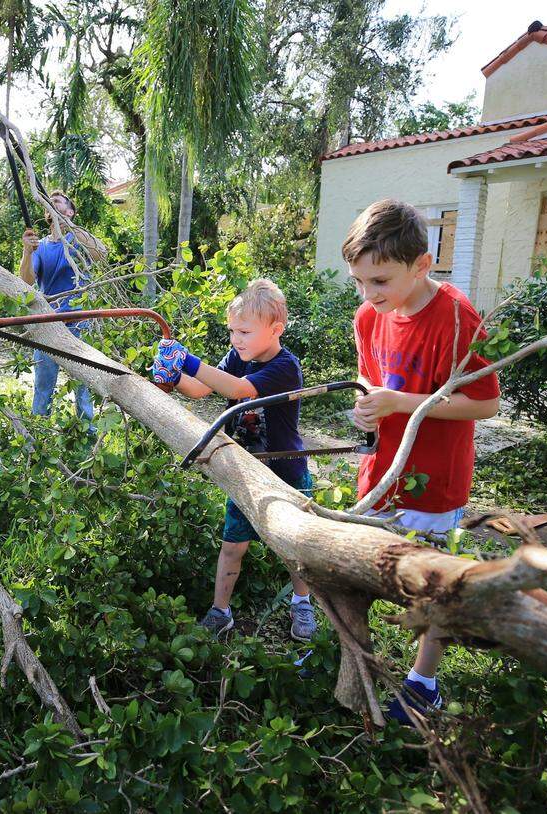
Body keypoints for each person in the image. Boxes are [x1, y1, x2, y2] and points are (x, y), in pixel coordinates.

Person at [344, 199, 500, 723]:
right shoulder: (370, 316)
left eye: (380, 281)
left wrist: (401, 402)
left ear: (422, 265)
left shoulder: (455, 317)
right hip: (381, 470)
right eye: (360, 282)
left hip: (434, 479)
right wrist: (369, 406)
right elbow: (372, 378)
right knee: (359, 566)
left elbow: (487, 402)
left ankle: (423, 681)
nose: (369, 295)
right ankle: (355, 659)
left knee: (433, 587)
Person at [153, 279, 318, 642]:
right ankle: (220, 611)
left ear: (276, 330)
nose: (236, 339)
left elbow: (241, 391)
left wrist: (190, 360)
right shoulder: (236, 358)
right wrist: (174, 376)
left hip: (286, 472)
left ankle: (302, 601)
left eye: (244, 331)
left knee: (295, 549)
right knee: (232, 546)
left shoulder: (285, 367)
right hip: (246, 473)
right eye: (232, 331)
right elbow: (202, 389)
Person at [19, 191, 108, 430]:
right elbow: (26, 282)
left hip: (78, 324)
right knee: (43, 385)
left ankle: (87, 436)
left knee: (82, 386)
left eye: (57, 202)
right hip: (48, 325)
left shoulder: (79, 240)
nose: (52, 204)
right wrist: (27, 252)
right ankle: (39, 437)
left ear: (70, 212)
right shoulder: (40, 246)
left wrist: (68, 225)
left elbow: (102, 253)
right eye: (50, 203)